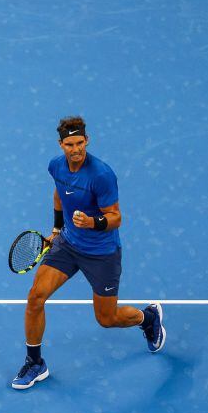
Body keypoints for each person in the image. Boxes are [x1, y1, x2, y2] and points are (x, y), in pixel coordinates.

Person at [12, 116, 166, 390]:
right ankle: (35, 363)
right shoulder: (56, 166)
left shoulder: (101, 175)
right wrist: (57, 229)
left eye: (80, 143)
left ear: (87, 140)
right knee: (35, 297)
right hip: (68, 245)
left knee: (107, 319)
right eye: (70, 144)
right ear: (61, 144)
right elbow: (59, 194)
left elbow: (116, 217)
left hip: (101, 253)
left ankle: (148, 318)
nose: (76, 149)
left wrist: (92, 222)